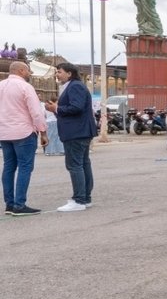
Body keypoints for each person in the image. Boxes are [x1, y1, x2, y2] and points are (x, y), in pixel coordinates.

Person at [45, 63, 97, 212]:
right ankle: (85, 198)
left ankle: (79, 200)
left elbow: (76, 107)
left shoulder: (75, 86)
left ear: (69, 73)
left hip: (76, 132)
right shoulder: (73, 86)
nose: (57, 74)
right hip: (79, 131)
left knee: (75, 165)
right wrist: (56, 109)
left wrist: (56, 108)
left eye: (59, 72)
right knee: (82, 164)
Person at [0, 61, 49, 216]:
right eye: (28, 71)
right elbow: (36, 112)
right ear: (21, 71)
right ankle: (19, 205)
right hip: (23, 132)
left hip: (4, 133)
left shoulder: (1, 85)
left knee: (8, 167)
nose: (29, 74)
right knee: (25, 167)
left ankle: (9, 204)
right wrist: (43, 132)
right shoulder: (25, 87)